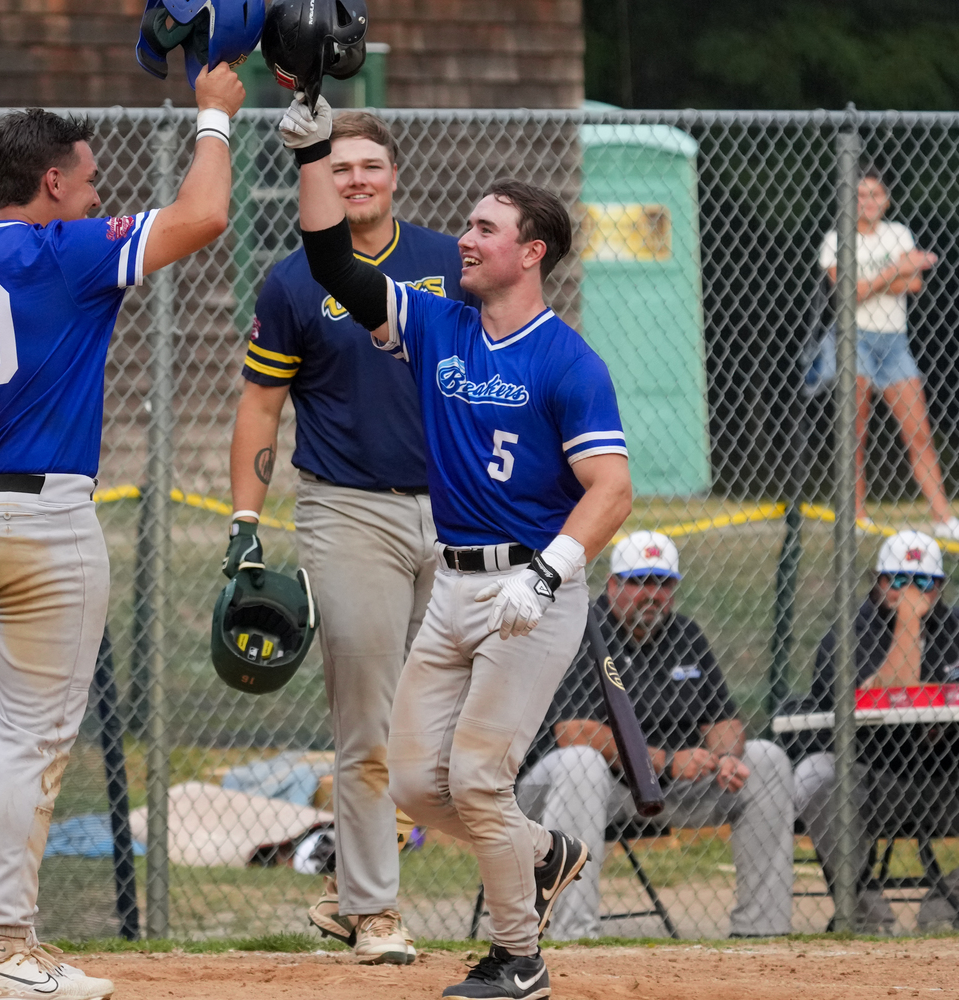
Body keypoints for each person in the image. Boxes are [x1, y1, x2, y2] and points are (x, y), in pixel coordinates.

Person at [0, 65, 244, 1000]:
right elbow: (205, 216)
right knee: (33, 742)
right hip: (40, 519)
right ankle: (4, 945)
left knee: (12, 736)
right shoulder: (65, 251)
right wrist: (215, 113)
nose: (96, 193)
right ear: (49, 184)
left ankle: (11, 935)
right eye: (86, 180)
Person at [284, 95, 633, 999]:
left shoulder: (568, 363)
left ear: (533, 252)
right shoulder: (437, 322)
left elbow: (612, 491)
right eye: (470, 226)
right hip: (454, 587)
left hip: (533, 593)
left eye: (486, 229)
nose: (466, 240)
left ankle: (519, 959)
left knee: (479, 776)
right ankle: (546, 852)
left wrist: (553, 570)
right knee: (414, 782)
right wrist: (313, 156)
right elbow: (332, 261)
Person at [224, 110, 477, 965]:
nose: (356, 179)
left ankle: (346, 894)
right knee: (367, 723)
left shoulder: (450, 264)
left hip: (453, 510)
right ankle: (374, 912)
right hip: (348, 511)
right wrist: (245, 522)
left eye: (371, 165)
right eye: (340, 168)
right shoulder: (293, 282)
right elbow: (259, 403)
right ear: (319, 181)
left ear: (395, 176)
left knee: (442, 724)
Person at [518, 531, 794, 940]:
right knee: (582, 765)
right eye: (639, 581)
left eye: (663, 583)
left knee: (766, 759)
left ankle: (763, 931)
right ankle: (572, 934)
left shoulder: (686, 634)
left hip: (667, 788)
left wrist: (725, 758)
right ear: (613, 585)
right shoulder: (583, 630)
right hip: (571, 788)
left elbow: (724, 721)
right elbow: (574, 732)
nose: (653, 594)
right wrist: (664, 762)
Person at [794, 529, 959, 934]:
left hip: (947, 781)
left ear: (940, 587)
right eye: (898, 581)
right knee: (814, 775)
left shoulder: (955, 626)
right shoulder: (849, 633)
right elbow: (894, 687)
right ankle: (863, 906)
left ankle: (948, 903)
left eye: (923, 583)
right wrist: (908, 623)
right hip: (871, 780)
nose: (910, 592)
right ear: (878, 581)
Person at [814, 168, 954, 536]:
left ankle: (943, 518)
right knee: (855, 432)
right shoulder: (836, 240)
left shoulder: (898, 233)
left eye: (875, 195)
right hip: (854, 339)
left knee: (919, 432)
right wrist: (895, 270)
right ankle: (856, 515)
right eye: (860, 195)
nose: (868, 202)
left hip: (895, 343)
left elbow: (916, 282)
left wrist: (872, 282)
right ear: (849, 201)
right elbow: (848, 295)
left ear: (887, 200)